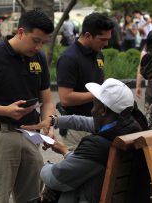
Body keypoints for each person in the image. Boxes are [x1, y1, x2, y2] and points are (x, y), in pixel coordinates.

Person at [0, 10, 55, 203]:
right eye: (35, 40)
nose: (39, 47)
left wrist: (49, 123)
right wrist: (5, 110)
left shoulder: (39, 59)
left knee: (32, 198)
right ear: (21, 32)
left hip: (30, 137)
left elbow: (46, 100)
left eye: (43, 43)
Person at [22, 78, 147, 203]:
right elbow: (85, 122)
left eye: (94, 104)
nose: (92, 111)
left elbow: (55, 178)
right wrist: (55, 120)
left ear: (103, 110)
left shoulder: (97, 145)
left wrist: (47, 165)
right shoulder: (129, 127)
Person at [56, 12, 114, 150]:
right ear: (88, 35)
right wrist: (100, 94)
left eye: (108, 39)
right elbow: (65, 98)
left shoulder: (98, 54)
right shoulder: (69, 58)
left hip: (98, 122)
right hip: (76, 127)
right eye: (102, 39)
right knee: (76, 170)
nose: (106, 43)